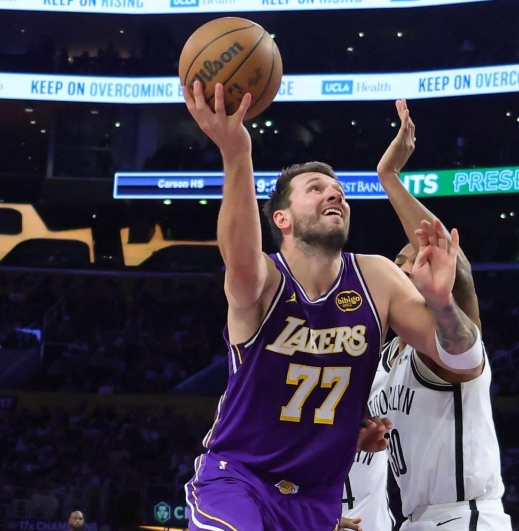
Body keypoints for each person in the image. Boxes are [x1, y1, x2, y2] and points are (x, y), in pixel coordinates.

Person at [181, 82, 482, 531]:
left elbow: (465, 362)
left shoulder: (377, 277)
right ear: (281, 219)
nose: (335, 194)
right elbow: (239, 256)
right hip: (239, 478)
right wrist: (236, 152)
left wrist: (441, 303)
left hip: (318, 497)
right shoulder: (265, 278)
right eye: (316, 188)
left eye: (339, 190)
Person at [340, 100, 510, 531]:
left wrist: (390, 179)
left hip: (464, 514)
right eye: (397, 260)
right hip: (414, 518)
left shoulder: (444, 343)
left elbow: (462, 273)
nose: (402, 267)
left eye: (413, 259)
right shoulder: (382, 360)